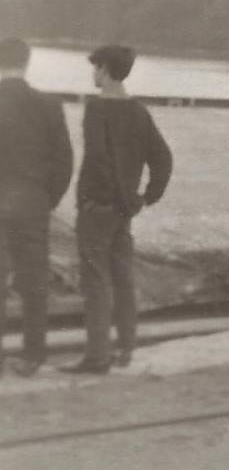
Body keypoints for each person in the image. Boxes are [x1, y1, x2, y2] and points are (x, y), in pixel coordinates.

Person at [60, 45, 173, 375]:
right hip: (122, 212)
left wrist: (117, 198)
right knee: (122, 278)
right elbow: (162, 158)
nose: (93, 74)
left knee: (95, 282)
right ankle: (126, 348)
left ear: (106, 69)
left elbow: (98, 160)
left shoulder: (96, 109)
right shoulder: (138, 111)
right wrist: (144, 197)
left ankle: (97, 357)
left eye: (95, 68)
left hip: (98, 209)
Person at [0, 38, 73, 377]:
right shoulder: (48, 104)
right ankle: (33, 355)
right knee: (33, 282)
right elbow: (63, 163)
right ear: (27, 64)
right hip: (32, 203)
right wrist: (46, 199)